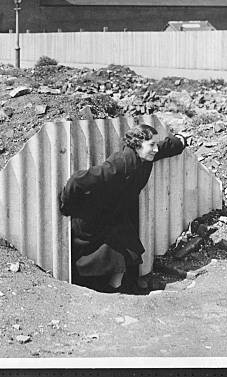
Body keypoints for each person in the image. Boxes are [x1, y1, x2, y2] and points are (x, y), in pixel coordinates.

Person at [59, 124, 187, 294]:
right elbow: (77, 181)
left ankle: (117, 289)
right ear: (137, 145)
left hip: (112, 215)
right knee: (112, 254)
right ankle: (109, 292)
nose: (155, 149)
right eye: (151, 145)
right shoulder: (120, 164)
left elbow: (164, 147)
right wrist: (67, 206)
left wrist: (181, 140)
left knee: (128, 250)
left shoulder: (144, 156)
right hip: (92, 218)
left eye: (155, 144)